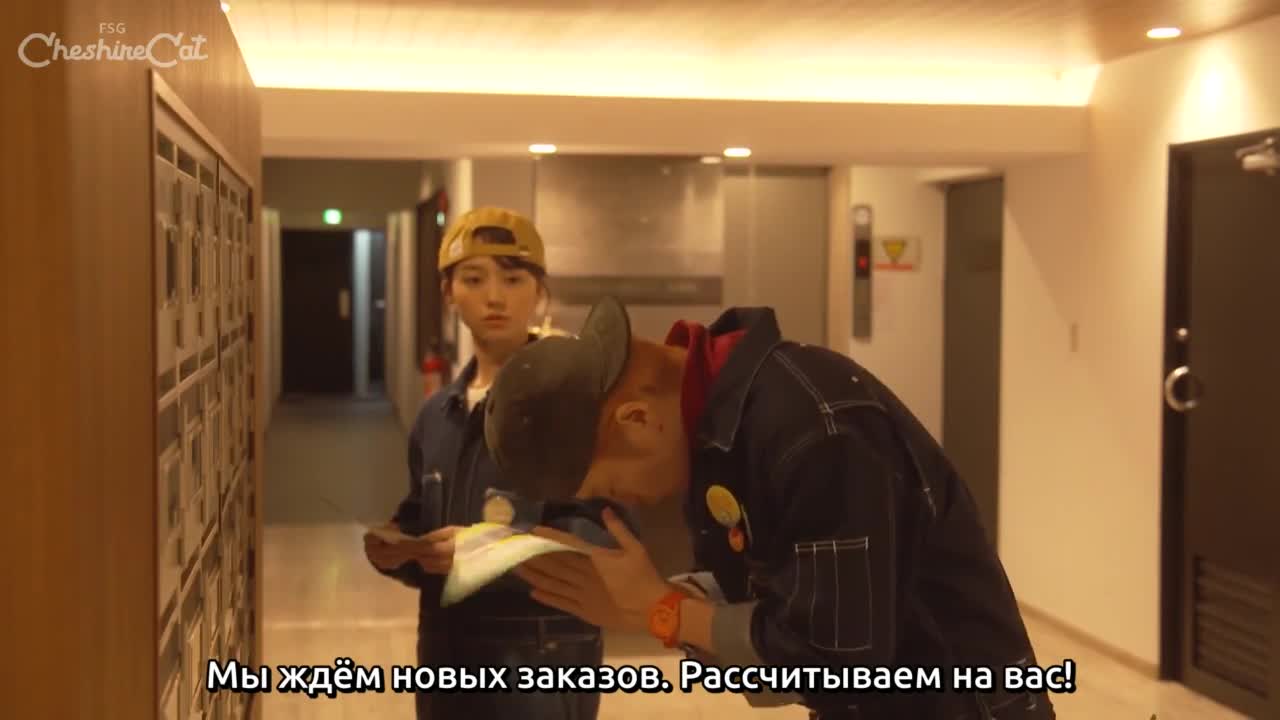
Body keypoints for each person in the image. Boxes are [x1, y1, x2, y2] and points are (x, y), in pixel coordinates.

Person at [485, 297, 1055, 719]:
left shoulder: (812, 428)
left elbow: (839, 667)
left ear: (637, 419)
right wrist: (648, 606)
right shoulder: (720, 437)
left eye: (609, 484)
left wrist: (661, 609)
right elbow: (773, 605)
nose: (622, 501)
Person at [363, 207, 603, 720]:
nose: (495, 297)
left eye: (513, 280)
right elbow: (424, 519)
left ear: (539, 292)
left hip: (539, 654)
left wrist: (485, 551)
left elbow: (602, 546)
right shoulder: (437, 415)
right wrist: (400, 547)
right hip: (445, 650)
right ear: (449, 293)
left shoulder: (571, 404)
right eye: (474, 279)